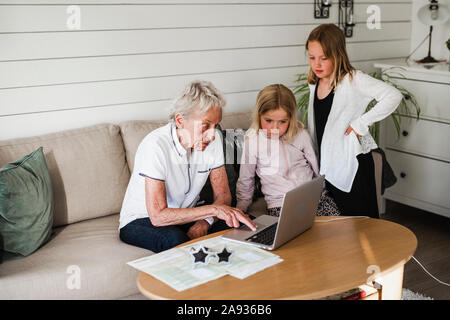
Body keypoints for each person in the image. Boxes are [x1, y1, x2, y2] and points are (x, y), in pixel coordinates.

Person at [119, 80, 256, 253]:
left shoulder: (213, 141)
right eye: (206, 126)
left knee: (244, 223)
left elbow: (223, 196)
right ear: (180, 120)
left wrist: (205, 221)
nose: (212, 135)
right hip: (141, 220)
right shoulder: (156, 145)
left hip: (185, 215)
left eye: (216, 125)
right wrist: (213, 210)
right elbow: (158, 216)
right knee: (178, 241)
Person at [306, 24, 402, 218]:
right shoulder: (315, 83)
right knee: (339, 227)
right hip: (330, 164)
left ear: (337, 54)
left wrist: (360, 124)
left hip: (353, 162)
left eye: (324, 58)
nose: (317, 64)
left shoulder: (353, 79)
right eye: (312, 57)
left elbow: (393, 95)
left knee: (362, 224)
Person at [235, 84, 334, 217]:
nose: (275, 127)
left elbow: (316, 167)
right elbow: (246, 179)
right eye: (268, 120)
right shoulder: (252, 141)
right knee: (300, 235)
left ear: (291, 118)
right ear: (259, 115)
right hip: (281, 205)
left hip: (315, 198)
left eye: (282, 122)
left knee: (340, 231)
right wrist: (241, 208)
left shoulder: (301, 135)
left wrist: (322, 190)